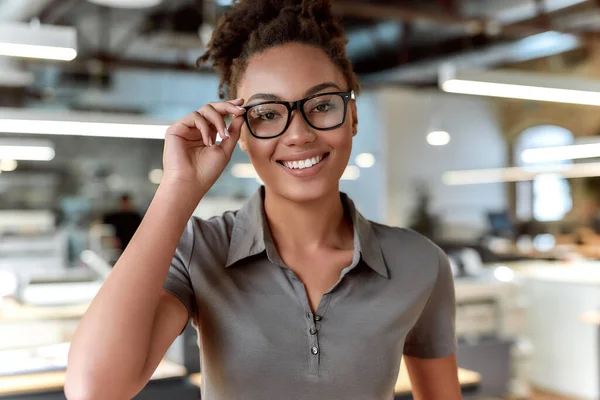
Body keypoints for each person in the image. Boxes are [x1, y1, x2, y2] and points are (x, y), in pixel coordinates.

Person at [66, 1, 460, 399]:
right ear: (240, 132)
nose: (298, 134)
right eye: (268, 114)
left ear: (352, 116)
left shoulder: (420, 263)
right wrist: (177, 187)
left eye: (322, 105)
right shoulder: (199, 250)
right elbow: (94, 389)